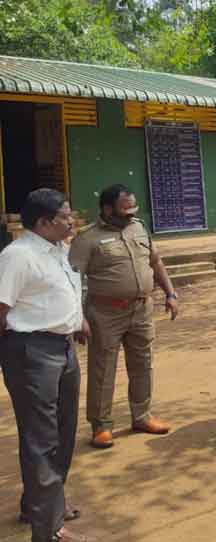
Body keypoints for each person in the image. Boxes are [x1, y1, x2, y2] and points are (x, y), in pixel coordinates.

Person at [0, 189, 90, 542]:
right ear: (44, 222)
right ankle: (49, 530)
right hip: (32, 352)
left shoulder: (58, 250)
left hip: (63, 348)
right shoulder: (18, 256)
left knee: (65, 432)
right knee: (42, 440)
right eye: (66, 215)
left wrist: (77, 321)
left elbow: (61, 291)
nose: (73, 220)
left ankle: (43, 503)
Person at [69, 184, 178, 449]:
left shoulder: (139, 228)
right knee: (103, 369)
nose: (131, 215)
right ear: (107, 209)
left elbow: (155, 262)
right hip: (105, 313)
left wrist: (171, 293)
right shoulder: (86, 239)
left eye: (133, 210)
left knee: (143, 364)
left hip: (141, 309)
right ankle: (101, 425)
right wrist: (76, 317)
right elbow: (72, 280)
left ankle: (141, 416)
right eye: (125, 210)